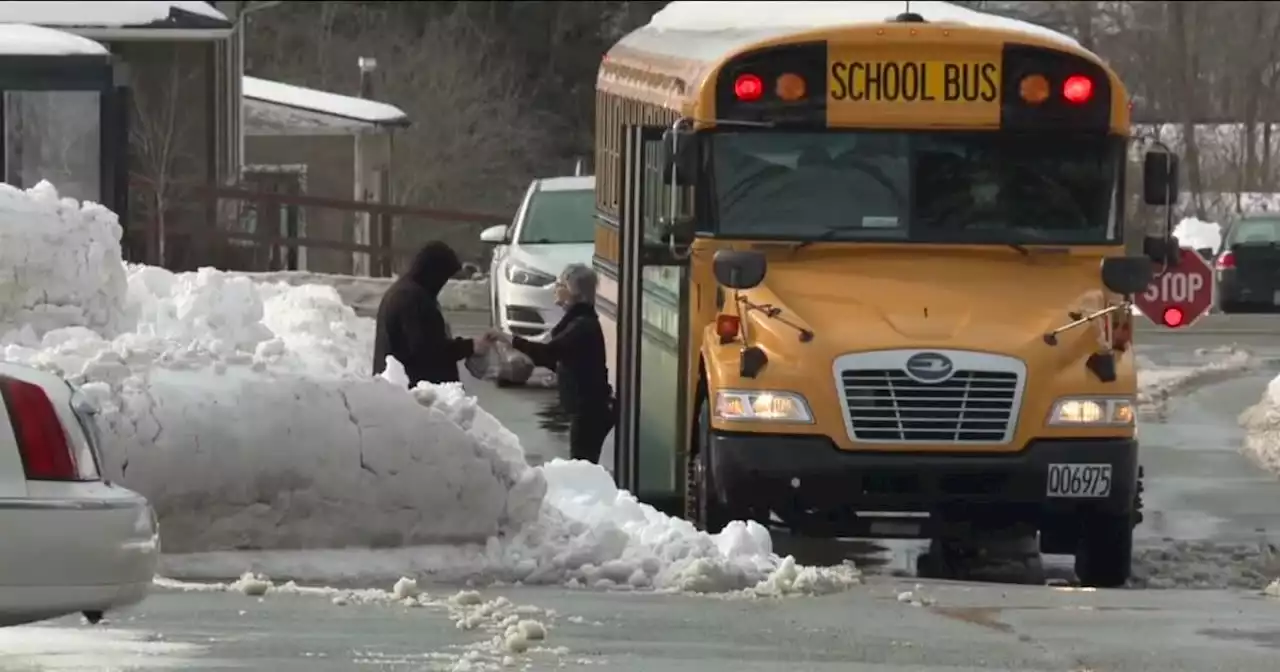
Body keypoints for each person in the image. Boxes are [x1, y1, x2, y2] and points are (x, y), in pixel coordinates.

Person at [485, 263, 615, 464]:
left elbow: (548, 352)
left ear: (574, 291)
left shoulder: (582, 325)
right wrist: (560, 371)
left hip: (590, 414)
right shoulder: (578, 320)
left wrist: (508, 338)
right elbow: (561, 358)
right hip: (586, 411)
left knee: (582, 468)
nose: (556, 287)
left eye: (560, 283)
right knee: (581, 466)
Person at [373, 240, 487, 387]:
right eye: (444, 277)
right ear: (434, 272)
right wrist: (469, 347)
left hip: (404, 388)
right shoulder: (412, 300)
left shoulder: (407, 292)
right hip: (414, 394)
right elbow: (428, 351)